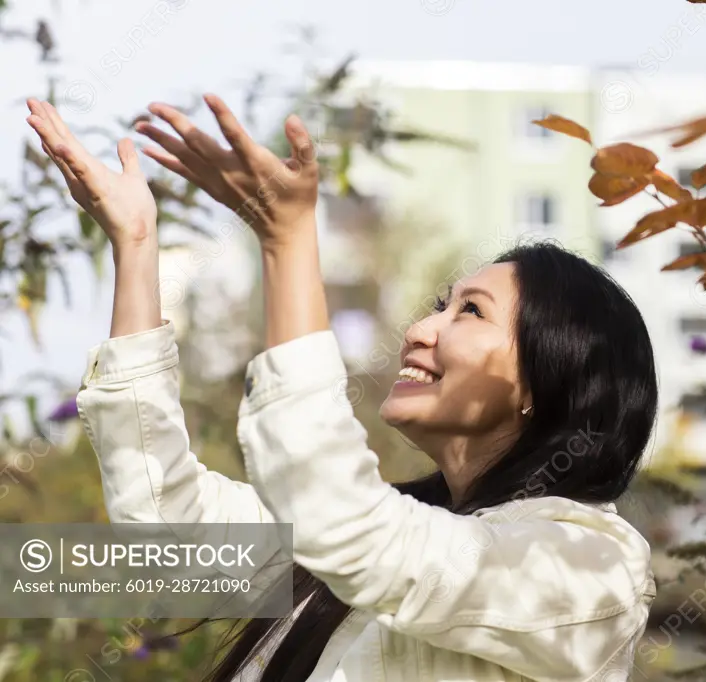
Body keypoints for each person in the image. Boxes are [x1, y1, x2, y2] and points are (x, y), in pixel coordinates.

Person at [26, 93, 659, 682]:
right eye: (441, 304)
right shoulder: (396, 531)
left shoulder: (589, 568)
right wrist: (135, 245)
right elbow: (168, 527)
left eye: (470, 312)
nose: (420, 330)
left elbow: (344, 521)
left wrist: (286, 241)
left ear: (544, 383)